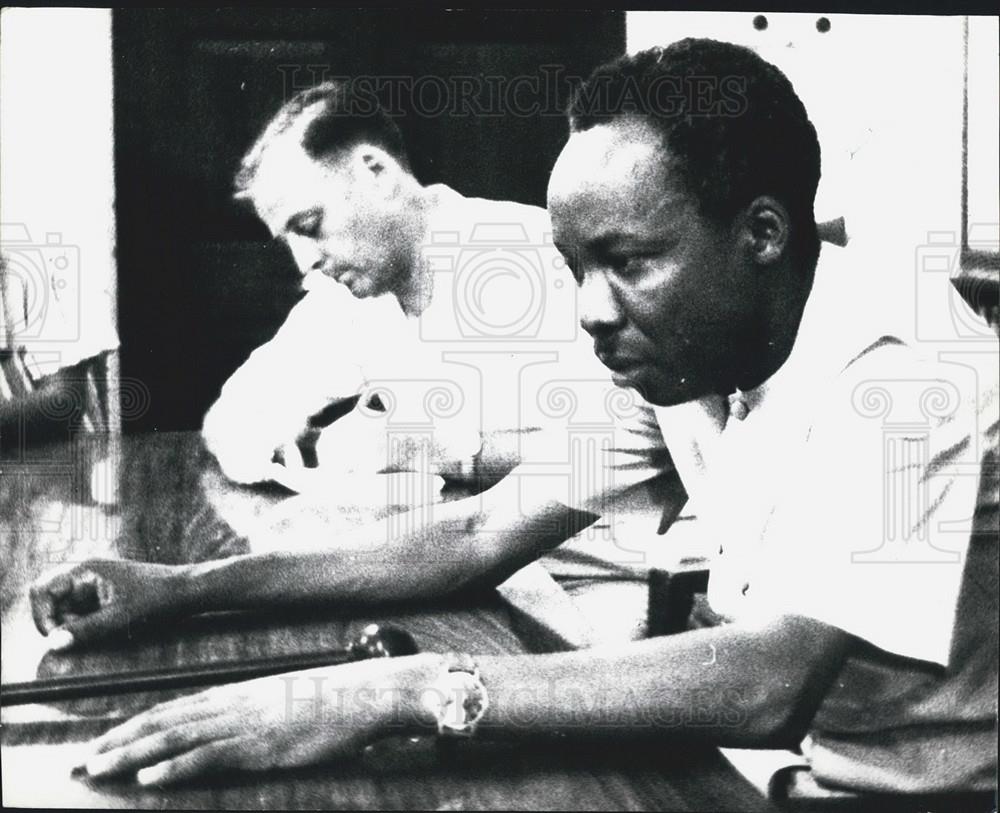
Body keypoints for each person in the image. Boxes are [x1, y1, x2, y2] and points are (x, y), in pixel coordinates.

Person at [29, 39, 995, 796]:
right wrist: (182, 586)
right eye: (577, 266)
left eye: (627, 259)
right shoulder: (682, 348)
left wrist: (399, 690)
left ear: (762, 234)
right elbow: (477, 528)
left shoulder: (911, 366)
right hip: (776, 764)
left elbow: (767, 678)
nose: (589, 307)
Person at [200, 80, 597, 497]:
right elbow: (231, 415)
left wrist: (432, 451)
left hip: (605, 558)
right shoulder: (346, 299)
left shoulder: (538, 257)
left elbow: (626, 450)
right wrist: (279, 438)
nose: (305, 262)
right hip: (454, 552)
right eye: (289, 240)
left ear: (377, 172)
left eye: (310, 226)